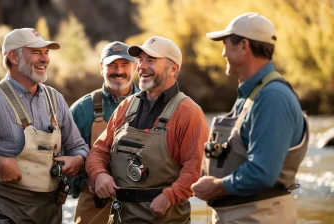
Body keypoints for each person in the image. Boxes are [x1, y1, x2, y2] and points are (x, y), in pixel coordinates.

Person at [0, 28, 89, 224]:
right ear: (13, 57)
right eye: (36, 52)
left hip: (50, 212)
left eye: (46, 52)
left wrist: (78, 159)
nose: (45, 59)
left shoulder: (56, 99)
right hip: (2, 212)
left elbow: (79, 147)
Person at [191, 12, 309, 223]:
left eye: (226, 45)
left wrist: (216, 187)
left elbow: (262, 172)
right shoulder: (251, 96)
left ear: (244, 46)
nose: (223, 53)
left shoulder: (272, 98)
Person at [86, 36, 209, 223]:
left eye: (151, 60)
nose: (141, 67)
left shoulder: (190, 113)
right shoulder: (126, 106)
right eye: (140, 60)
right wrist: (99, 174)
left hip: (166, 217)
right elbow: (99, 150)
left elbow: (195, 168)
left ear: (173, 69)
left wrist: (170, 196)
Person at [69, 41, 140, 224]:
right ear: (102, 68)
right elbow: (65, 158)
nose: (119, 71)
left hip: (141, 203)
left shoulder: (153, 104)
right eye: (112, 65)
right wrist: (87, 182)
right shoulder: (82, 109)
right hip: (94, 203)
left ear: (135, 67)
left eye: (125, 65)